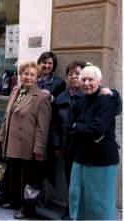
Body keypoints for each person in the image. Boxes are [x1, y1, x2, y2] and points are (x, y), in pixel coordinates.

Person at [0, 61, 52, 219]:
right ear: (20, 75)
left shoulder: (41, 97)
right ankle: (14, 201)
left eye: (32, 75)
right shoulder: (15, 91)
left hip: (28, 145)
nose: (28, 77)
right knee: (14, 176)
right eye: (25, 74)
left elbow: (43, 127)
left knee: (28, 180)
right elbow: (6, 117)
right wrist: (2, 136)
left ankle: (27, 208)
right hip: (12, 142)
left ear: (37, 78)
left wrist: (39, 149)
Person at [68, 65, 121, 220]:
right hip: (80, 158)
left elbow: (98, 129)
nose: (86, 83)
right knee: (77, 197)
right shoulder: (79, 100)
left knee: (100, 204)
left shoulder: (107, 99)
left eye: (91, 79)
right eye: (83, 79)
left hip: (102, 160)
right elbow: (69, 126)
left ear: (99, 81)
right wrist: (84, 128)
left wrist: (78, 126)